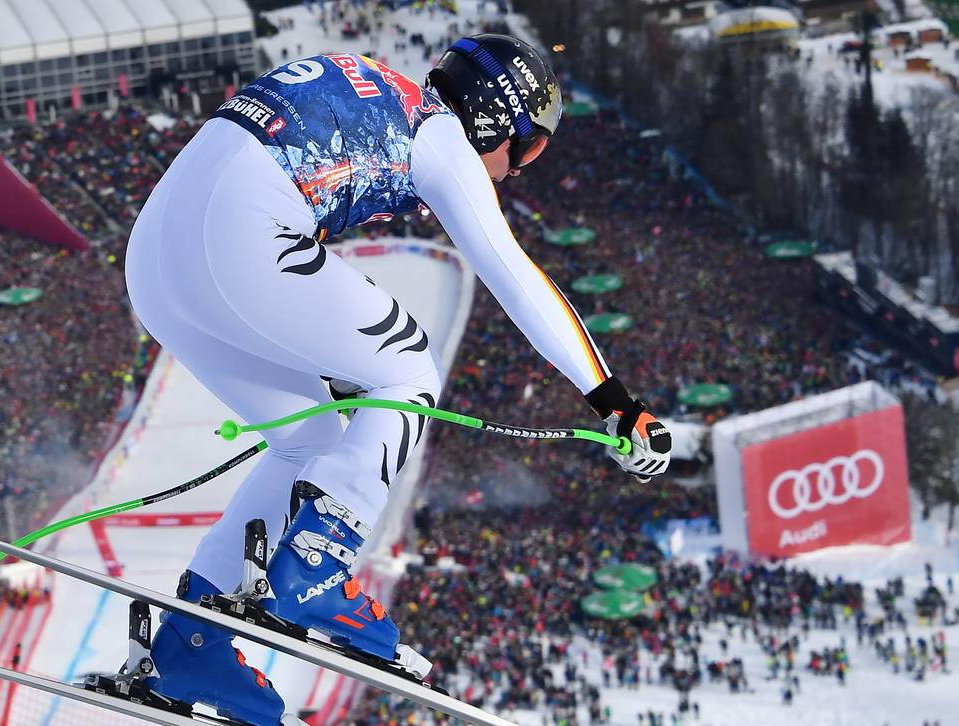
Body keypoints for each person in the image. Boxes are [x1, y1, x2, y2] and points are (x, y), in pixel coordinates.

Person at [122, 34, 673, 724]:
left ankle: (191, 643)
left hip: (154, 258)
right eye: (527, 146)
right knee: (410, 364)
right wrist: (614, 402)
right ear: (495, 118)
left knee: (312, 437)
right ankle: (318, 561)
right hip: (238, 233)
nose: (519, 169)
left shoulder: (388, 93)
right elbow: (516, 278)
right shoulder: (440, 135)